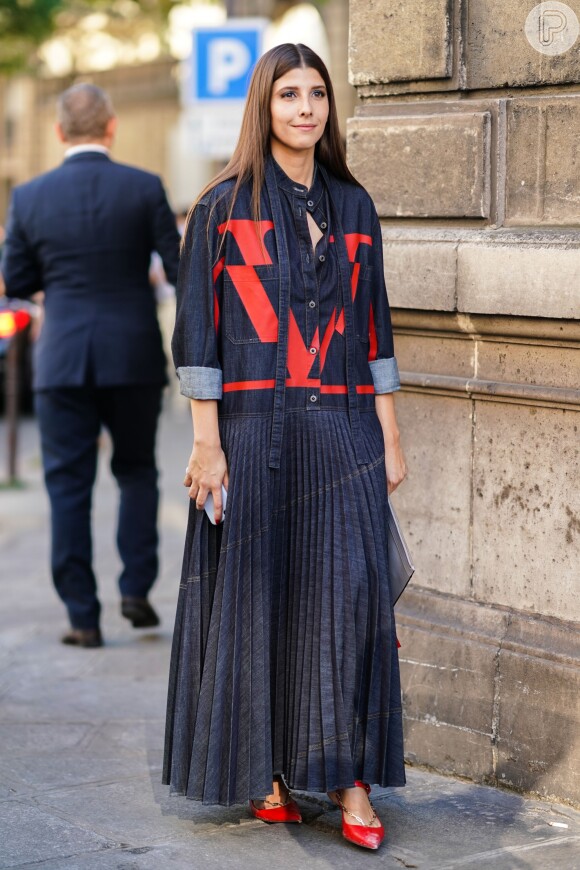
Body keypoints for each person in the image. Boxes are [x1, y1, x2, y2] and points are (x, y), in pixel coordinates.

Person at [163, 44, 407, 851]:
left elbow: (374, 330)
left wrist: (390, 436)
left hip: (340, 431)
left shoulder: (356, 205)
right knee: (260, 601)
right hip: (251, 430)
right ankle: (267, 774)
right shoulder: (223, 208)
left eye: (317, 95)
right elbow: (199, 333)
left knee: (347, 597)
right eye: (289, 95)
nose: (306, 108)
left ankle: (349, 781)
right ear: (264, 106)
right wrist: (207, 445)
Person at [1, 84, 181, 648]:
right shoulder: (144, 187)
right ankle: (136, 589)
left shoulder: (30, 197)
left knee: (68, 486)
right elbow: (178, 269)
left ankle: (83, 615)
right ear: (111, 127)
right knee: (137, 472)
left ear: (58, 132)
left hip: (63, 361)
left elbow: (19, 278)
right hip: (132, 355)